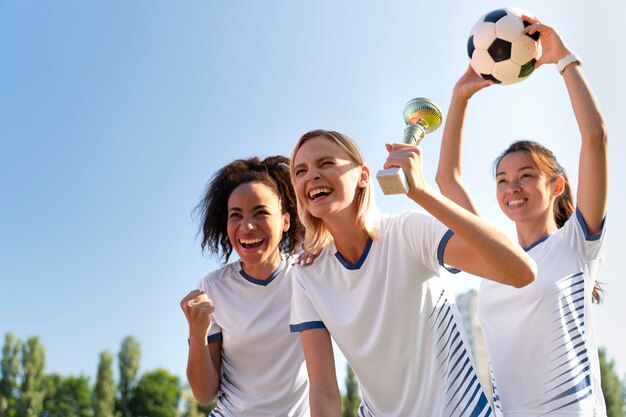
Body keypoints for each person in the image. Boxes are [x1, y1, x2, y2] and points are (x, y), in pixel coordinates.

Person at [288, 128, 537, 417]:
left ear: (363, 176)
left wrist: (421, 192)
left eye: (326, 163)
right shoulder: (306, 276)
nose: (311, 175)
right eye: (300, 171)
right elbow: (324, 392)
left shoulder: (408, 232)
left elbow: (522, 271)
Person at [436, 17, 608, 416]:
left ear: (557, 186)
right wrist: (459, 98)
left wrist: (562, 59)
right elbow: (447, 180)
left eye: (526, 176)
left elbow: (595, 137)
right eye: (502, 180)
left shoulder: (577, 245)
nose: (512, 187)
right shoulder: (496, 260)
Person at [180, 155, 310, 417]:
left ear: (286, 220)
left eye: (260, 212)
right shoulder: (213, 288)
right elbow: (204, 394)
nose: (246, 226)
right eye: (235, 215)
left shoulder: (307, 275)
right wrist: (197, 331)